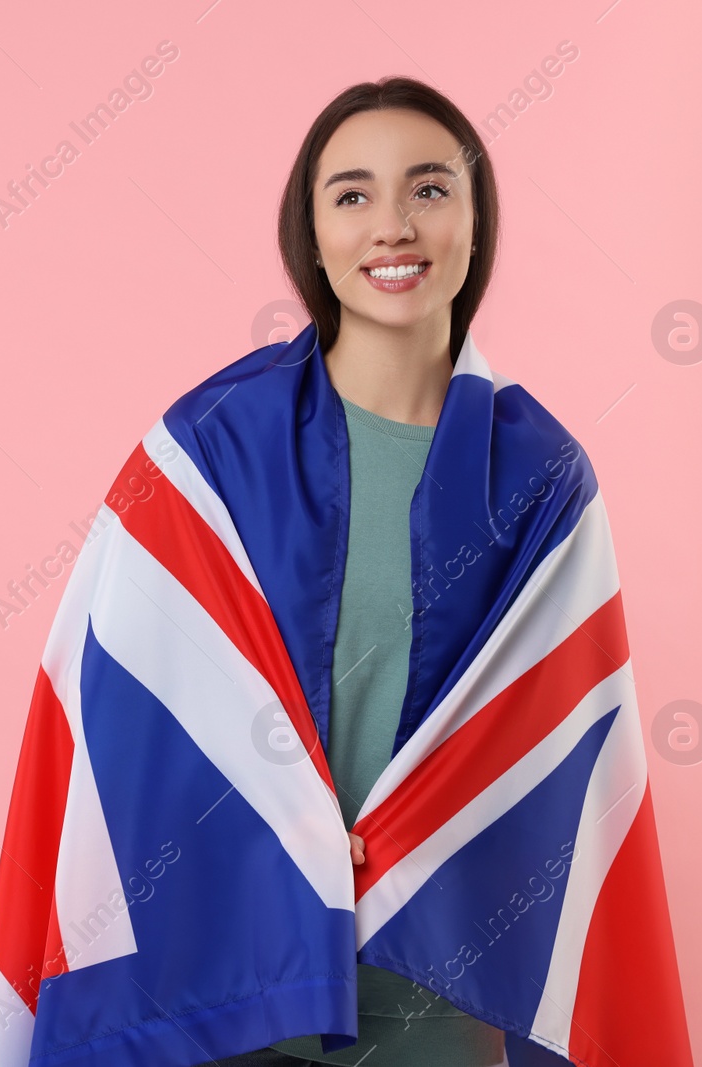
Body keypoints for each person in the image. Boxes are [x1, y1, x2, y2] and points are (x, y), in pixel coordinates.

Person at [197, 77, 510, 1067]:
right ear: (312, 230)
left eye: (427, 190)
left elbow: (565, 730)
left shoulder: (539, 477)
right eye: (350, 195)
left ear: (472, 219)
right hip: (240, 981)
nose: (391, 226)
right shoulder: (213, 450)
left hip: (437, 995)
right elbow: (133, 699)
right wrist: (282, 816)